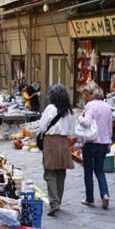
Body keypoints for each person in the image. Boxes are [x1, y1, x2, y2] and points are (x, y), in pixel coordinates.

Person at [38, 84, 76, 216]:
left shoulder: (50, 108)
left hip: (51, 142)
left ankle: (54, 202)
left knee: (50, 173)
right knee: (61, 172)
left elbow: (42, 126)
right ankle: (58, 200)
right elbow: (72, 131)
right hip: (64, 142)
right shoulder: (69, 111)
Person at [79, 81, 113, 209]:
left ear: (90, 94)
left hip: (91, 142)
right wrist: (109, 143)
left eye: (86, 95)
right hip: (103, 143)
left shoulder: (90, 106)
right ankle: (105, 194)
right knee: (99, 170)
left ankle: (90, 199)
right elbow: (109, 128)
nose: (85, 98)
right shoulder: (107, 106)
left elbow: (86, 123)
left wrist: (79, 118)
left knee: (88, 170)